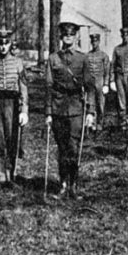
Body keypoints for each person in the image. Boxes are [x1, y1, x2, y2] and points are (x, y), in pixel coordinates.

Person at [45, 22, 95, 197]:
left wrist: (90, 112)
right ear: (60, 37)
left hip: (76, 108)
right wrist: (49, 112)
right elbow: (49, 87)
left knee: (73, 148)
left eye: (71, 35)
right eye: (65, 35)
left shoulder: (83, 59)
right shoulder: (53, 59)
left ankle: (73, 186)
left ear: (76, 37)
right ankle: (63, 185)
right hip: (58, 108)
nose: (68, 37)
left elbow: (90, 87)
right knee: (62, 148)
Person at [0, 29, 29, 184]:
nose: (3, 47)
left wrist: (24, 110)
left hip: (12, 103)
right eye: (0, 43)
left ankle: (11, 171)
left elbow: (23, 87)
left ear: (10, 44)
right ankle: (0, 173)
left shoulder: (18, 63)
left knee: (12, 139)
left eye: (6, 43)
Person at [84, 34, 111, 131]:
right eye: (93, 42)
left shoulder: (104, 56)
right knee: (90, 103)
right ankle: (91, 124)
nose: (94, 43)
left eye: (96, 41)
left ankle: (100, 123)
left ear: (99, 42)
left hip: (100, 81)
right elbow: (85, 70)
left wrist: (106, 84)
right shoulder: (87, 56)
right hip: (90, 82)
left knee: (100, 104)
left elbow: (107, 71)